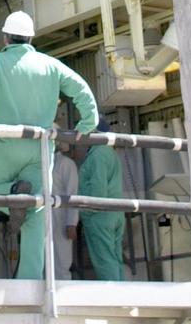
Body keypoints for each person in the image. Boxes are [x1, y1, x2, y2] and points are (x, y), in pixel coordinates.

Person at [0, 9, 97, 280]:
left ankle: (11, 193)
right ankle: (29, 280)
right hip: (39, 150)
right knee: (37, 209)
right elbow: (82, 89)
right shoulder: (50, 65)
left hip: (4, 145)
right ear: (31, 39)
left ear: (6, 37)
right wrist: (87, 124)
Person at [79, 115, 125, 280]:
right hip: (116, 212)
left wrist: (87, 213)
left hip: (99, 214)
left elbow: (98, 189)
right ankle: (123, 297)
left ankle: (114, 301)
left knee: (104, 261)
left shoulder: (98, 154)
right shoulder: (109, 152)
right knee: (115, 259)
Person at [52, 142, 79, 279]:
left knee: (61, 261)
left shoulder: (66, 164)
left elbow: (72, 194)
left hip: (61, 218)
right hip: (42, 218)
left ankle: (62, 296)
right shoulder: (37, 164)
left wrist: (71, 223)